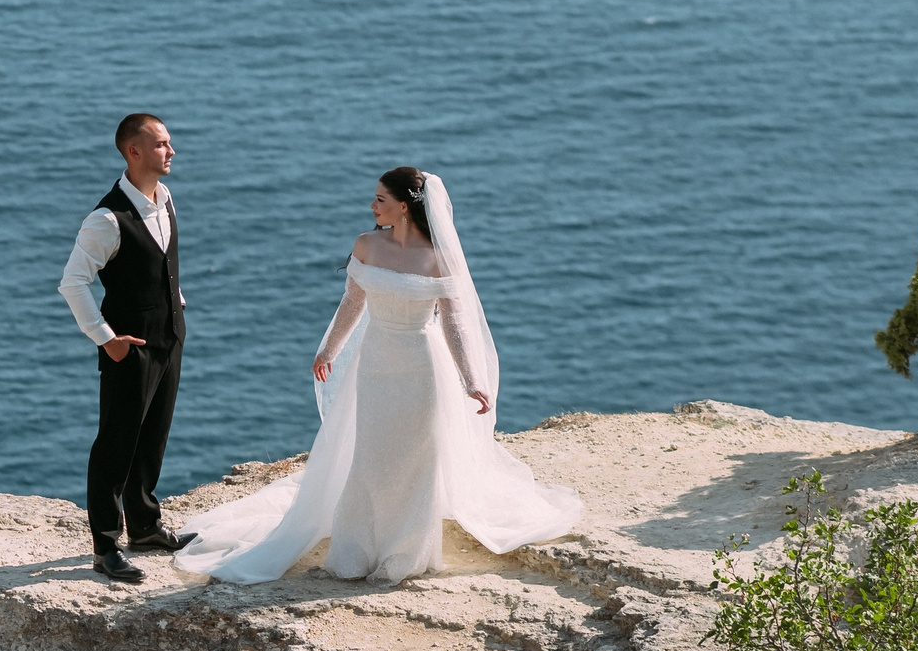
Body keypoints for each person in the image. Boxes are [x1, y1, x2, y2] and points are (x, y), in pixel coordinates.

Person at [175, 167, 581, 583]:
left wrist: (471, 379)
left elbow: (454, 324)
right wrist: (327, 350)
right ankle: (355, 551)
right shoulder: (366, 245)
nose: (372, 206)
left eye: (380, 200)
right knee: (371, 455)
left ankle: (404, 554)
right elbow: (353, 302)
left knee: (416, 459)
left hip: (423, 367)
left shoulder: (439, 259)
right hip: (374, 362)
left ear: (404, 207)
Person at [61, 113, 197, 583]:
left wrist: (176, 303)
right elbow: (72, 283)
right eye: (161, 143)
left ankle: (144, 526)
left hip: (170, 336)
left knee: (153, 436)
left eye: (169, 141)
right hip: (130, 347)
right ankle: (105, 547)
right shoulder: (106, 219)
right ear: (134, 152)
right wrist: (106, 339)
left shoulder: (165, 197)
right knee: (115, 446)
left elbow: (163, 263)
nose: (171, 151)